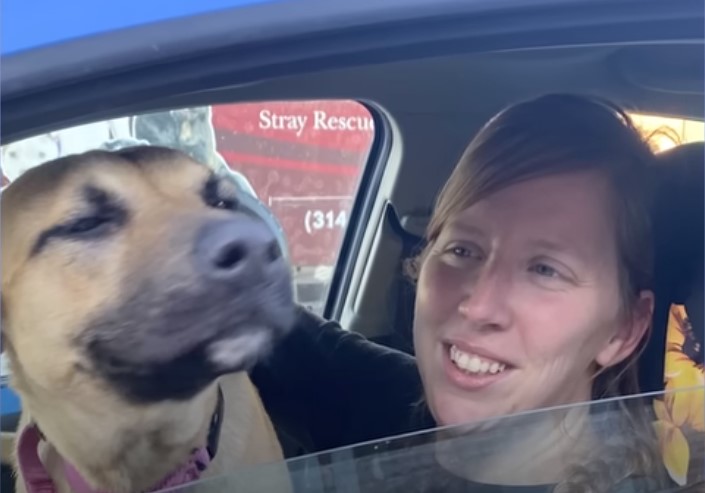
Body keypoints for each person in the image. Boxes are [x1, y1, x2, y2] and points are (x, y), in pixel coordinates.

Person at [250, 93, 670, 492]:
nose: (477, 304)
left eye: (545, 270)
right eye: (462, 249)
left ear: (623, 331)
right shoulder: (381, 403)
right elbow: (263, 320)